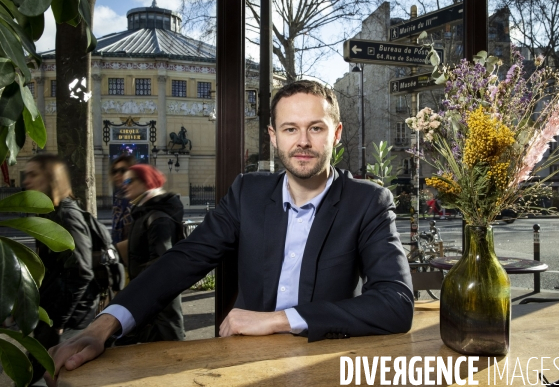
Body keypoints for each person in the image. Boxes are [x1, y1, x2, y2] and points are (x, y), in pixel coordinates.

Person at [45, 80, 414, 385]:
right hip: (242, 367)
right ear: (273, 136)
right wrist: (103, 325)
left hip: (323, 367)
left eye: (315, 128)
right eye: (290, 129)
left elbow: (396, 303)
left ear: (335, 133)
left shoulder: (367, 202)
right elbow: (184, 259)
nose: (302, 141)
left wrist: (277, 320)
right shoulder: (247, 193)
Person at [23, 154, 98, 384]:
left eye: (33, 175)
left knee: (48, 376)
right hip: (54, 317)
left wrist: (59, 323)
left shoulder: (66, 215)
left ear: (51, 178)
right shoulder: (50, 213)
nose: (26, 181)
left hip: (68, 321)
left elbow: (81, 271)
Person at [116, 164, 186, 343]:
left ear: (145, 182)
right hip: (147, 302)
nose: (125, 185)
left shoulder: (157, 217)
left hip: (159, 309)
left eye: (129, 180)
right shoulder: (144, 213)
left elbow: (163, 263)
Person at [110, 155, 136, 245]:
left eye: (123, 170)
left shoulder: (135, 199)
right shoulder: (119, 199)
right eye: (115, 171)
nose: (117, 175)